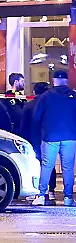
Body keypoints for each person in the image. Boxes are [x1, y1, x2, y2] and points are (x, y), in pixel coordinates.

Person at [33, 70, 76, 206]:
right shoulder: (74, 95)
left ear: (54, 80)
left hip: (50, 136)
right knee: (68, 168)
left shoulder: (45, 96)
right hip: (70, 136)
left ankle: (41, 195)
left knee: (47, 166)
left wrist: (43, 128)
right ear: (66, 81)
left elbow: (36, 116)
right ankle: (68, 198)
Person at [23, 81, 58, 198]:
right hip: (49, 138)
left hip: (33, 139)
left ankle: (35, 190)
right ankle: (51, 190)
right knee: (49, 164)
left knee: (34, 164)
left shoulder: (29, 106)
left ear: (34, 92)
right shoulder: (52, 106)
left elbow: (24, 125)